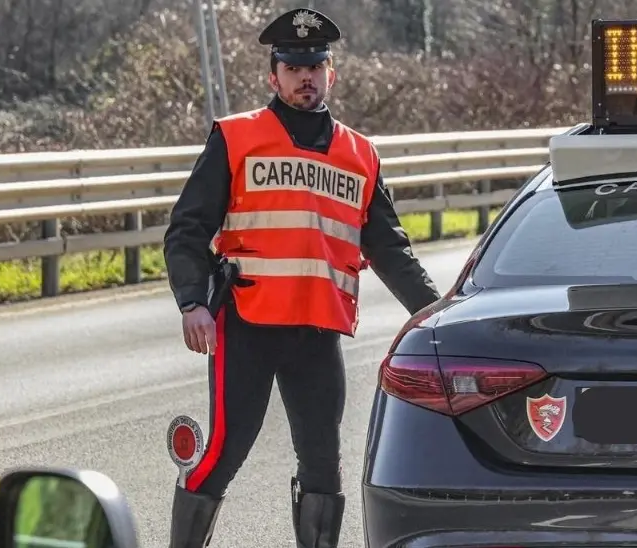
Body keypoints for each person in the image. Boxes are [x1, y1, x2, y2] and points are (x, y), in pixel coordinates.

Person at [160, 7, 442, 547]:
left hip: (316, 332)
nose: (304, 76)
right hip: (247, 324)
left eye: (314, 66)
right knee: (224, 451)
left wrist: (436, 313)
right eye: (293, 67)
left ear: (330, 72)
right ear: (274, 75)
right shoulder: (236, 138)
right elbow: (186, 229)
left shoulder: (360, 155)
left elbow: (389, 248)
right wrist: (192, 300)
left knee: (323, 465)